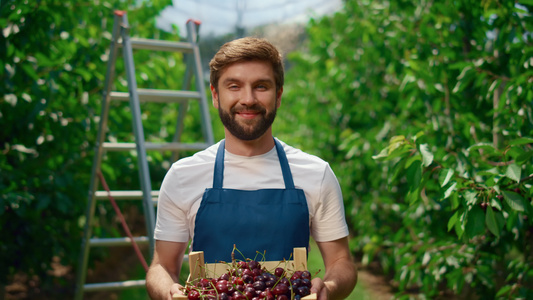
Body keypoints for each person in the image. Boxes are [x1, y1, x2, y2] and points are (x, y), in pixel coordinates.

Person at [146, 37, 357, 300]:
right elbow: (162, 266)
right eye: (234, 86)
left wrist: (330, 289)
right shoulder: (183, 176)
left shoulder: (315, 173)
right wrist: (168, 292)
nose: (248, 99)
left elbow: (341, 262)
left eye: (261, 86)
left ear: (278, 95)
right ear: (215, 95)